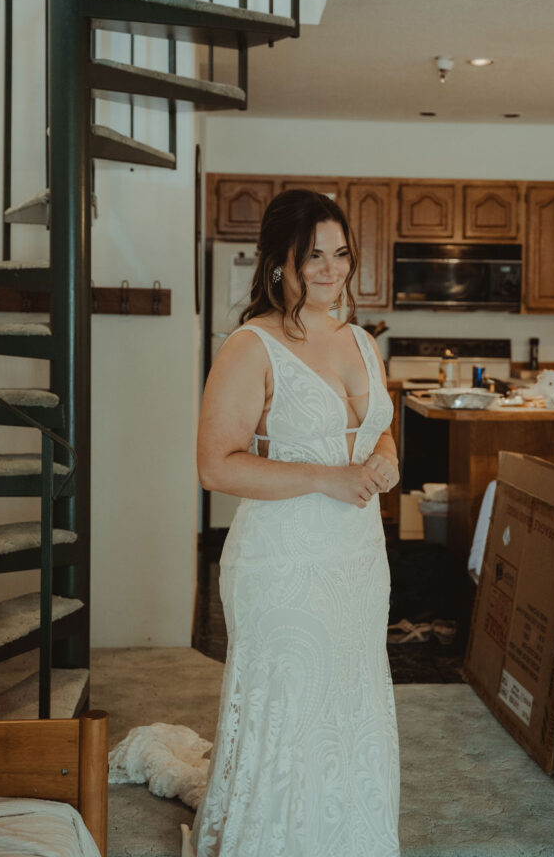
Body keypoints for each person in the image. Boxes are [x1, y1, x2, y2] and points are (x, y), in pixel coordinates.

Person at [191, 189, 401, 857]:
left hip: (358, 558)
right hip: (283, 562)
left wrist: (385, 463)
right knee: (289, 707)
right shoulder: (251, 345)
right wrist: (322, 477)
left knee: (350, 699)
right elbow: (216, 467)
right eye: (314, 255)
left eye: (340, 254)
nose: (330, 268)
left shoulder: (361, 341)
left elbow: (378, 435)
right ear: (280, 258)